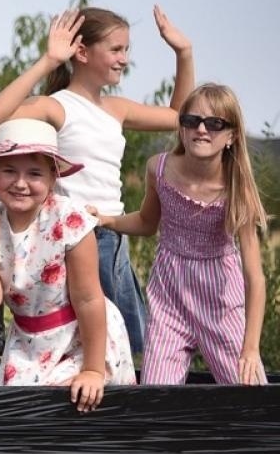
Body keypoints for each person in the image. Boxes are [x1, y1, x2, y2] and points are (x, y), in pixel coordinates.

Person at [0, 5, 197, 357]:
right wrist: (49, 60)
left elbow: (179, 116)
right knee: (87, 342)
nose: (124, 59)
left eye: (126, 50)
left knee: (126, 344)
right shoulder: (57, 106)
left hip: (114, 236)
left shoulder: (116, 108)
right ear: (82, 52)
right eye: (116, 49)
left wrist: (184, 52)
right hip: (80, 238)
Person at [96, 84, 267, 385]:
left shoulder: (237, 190)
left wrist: (250, 347)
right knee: (157, 395)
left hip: (220, 300)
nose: (201, 129)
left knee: (249, 394)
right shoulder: (159, 169)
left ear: (232, 136)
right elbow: (148, 223)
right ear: (182, 127)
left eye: (215, 123)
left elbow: (255, 277)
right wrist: (107, 220)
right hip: (169, 295)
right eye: (191, 120)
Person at [0, 119, 135, 411]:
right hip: (27, 341)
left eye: (34, 173)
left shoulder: (69, 219)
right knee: (22, 419)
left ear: (53, 177)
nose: (20, 183)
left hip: (79, 336)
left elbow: (89, 298)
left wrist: (92, 369)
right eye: (8, 171)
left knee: (72, 409)